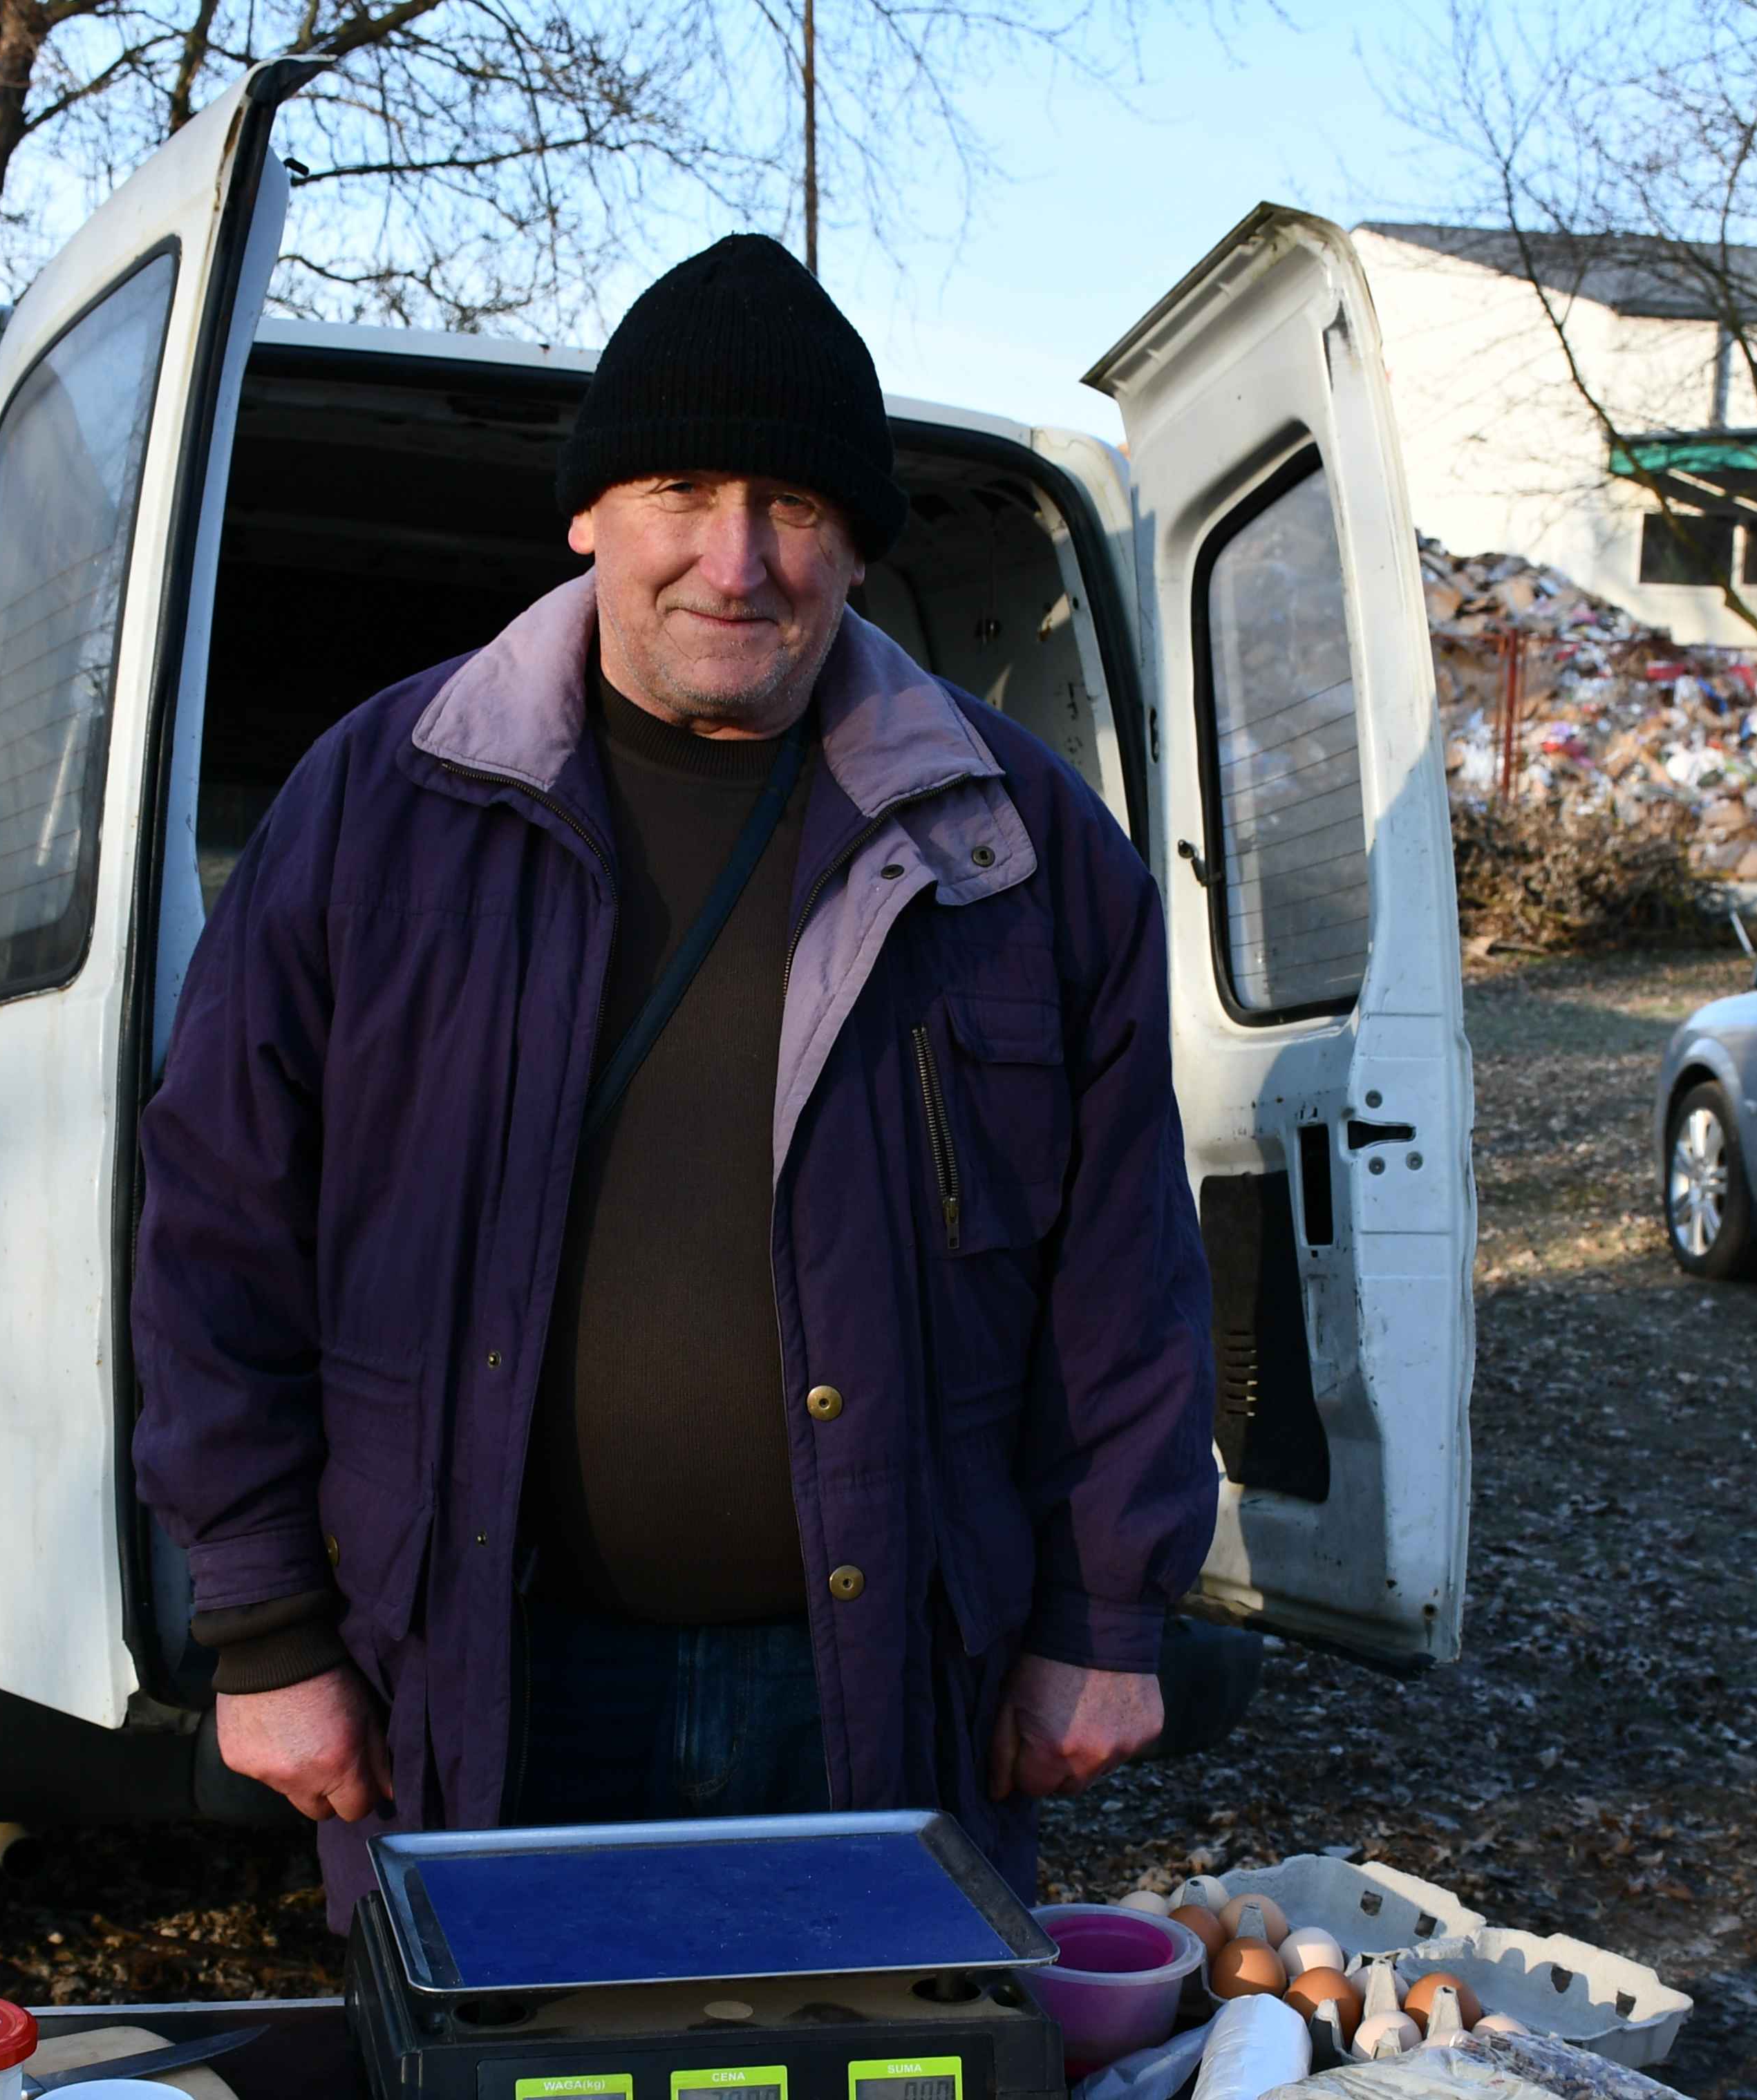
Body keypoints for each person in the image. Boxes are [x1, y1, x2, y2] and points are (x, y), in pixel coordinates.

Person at [130, 234, 1217, 1921]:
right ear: (585, 515)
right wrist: (265, 1624)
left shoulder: (1014, 844)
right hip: (483, 1672)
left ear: (857, 542)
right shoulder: (383, 806)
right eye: (682, 487)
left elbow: (1126, 1272)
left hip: (882, 1687)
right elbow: (216, 1231)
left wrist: (1103, 1616)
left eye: (792, 504)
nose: (736, 558)